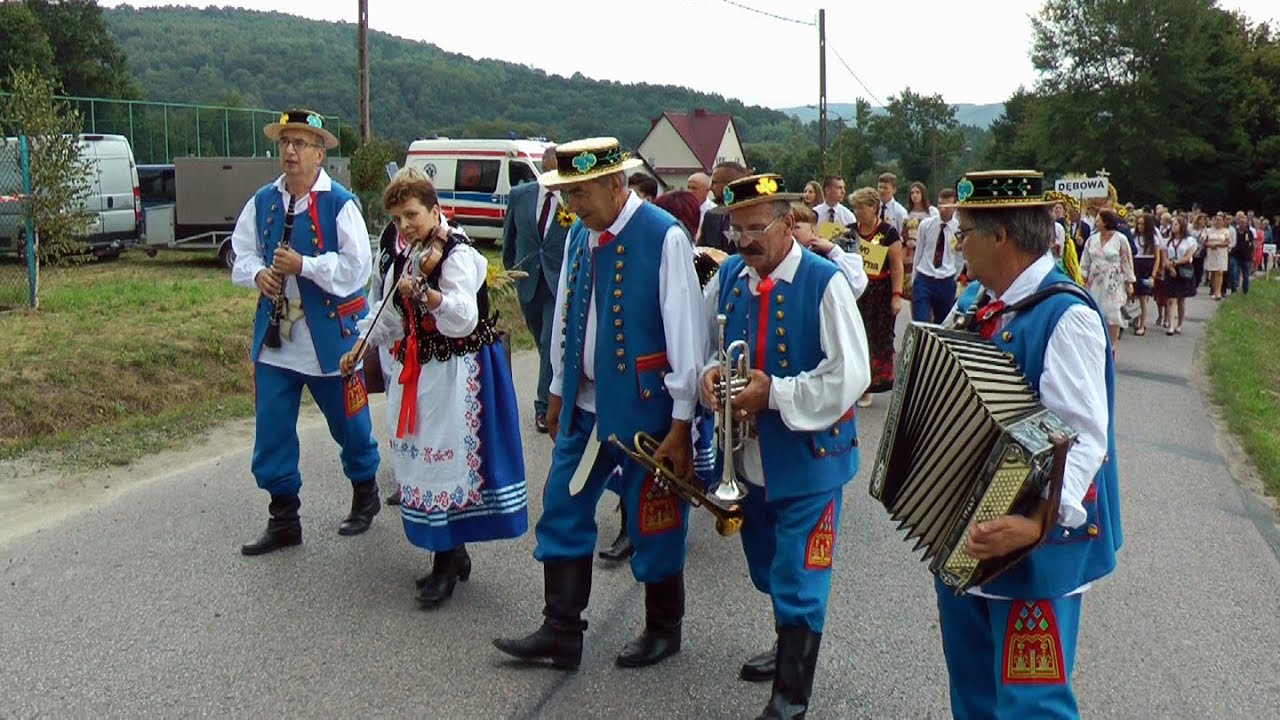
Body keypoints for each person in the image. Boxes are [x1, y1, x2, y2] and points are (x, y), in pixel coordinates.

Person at [493, 137, 706, 671]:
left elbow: (685, 331)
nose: (572, 206)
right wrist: (558, 389)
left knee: (654, 517)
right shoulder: (578, 236)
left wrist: (682, 424)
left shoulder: (664, 236)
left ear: (616, 185)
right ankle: (561, 631)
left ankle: (664, 628)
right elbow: (566, 314)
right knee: (563, 504)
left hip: (645, 408)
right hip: (584, 409)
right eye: (566, 195)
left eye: (581, 193)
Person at [940, 170, 1121, 719]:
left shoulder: (1065, 316)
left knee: (1031, 706)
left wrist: (1041, 519)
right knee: (973, 694)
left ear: (1001, 237)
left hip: (1034, 544)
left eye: (963, 233)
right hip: (969, 533)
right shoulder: (977, 301)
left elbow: (1085, 437)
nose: (956, 245)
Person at [700, 173, 870, 718]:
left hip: (811, 459)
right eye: (736, 230)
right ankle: (786, 646)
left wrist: (775, 392)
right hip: (749, 457)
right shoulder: (730, 275)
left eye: (755, 229)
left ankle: (790, 702)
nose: (744, 241)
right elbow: (711, 346)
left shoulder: (825, 282)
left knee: (799, 576)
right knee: (768, 566)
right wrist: (710, 375)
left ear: (788, 223)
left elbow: (851, 375)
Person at [340, 167, 528, 608]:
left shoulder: (457, 253)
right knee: (420, 462)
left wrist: (428, 297)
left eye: (412, 215)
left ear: (434, 209)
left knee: (443, 463)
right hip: (418, 370)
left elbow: (463, 316)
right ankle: (452, 554)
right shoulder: (406, 254)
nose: (405, 226)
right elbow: (389, 316)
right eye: (398, 218)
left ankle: (446, 561)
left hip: (454, 371)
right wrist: (359, 346)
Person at [230, 108, 381, 556]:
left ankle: (365, 493)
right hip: (278, 338)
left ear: (320, 154)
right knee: (272, 429)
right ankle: (284, 517)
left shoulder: (340, 202)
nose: (290, 151)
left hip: (330, 338)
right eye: (285, 143)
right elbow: (240, 253)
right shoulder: (263, 200)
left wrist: (305, 266)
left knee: (350, 425)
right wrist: (258, 275)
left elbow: (357, 269)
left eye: (300, 144)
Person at [502, 145, 569, 434]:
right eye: (551, 169)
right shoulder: (521, 195)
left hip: (558, 279)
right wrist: (510, 271)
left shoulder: (571, 198)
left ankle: (544, 405)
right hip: (528, 278)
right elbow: (510, 237)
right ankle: (557, 389)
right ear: (542, 167)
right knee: (539, 337)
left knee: (548, 340)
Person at [843, 187, 904, 408]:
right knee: (854, 335)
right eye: (855, 207)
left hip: (880, 291)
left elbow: (897, 267)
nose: (857, 211)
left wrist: (896, 296)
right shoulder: (849, 232)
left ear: (873, 207)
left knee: (877, 338)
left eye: (861, 207)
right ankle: (855, 383)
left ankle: (870, 385)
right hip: (855, 292)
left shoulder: (889, 233)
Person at [911, 187, 962, 323]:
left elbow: (959, 258)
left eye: (947, 206)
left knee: (942, 323)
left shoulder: (959, 229)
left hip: (945, 280)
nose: (943, 209)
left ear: (955, 207)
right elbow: (919, 253)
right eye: (940, 204)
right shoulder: (926, 225)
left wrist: (952, 276)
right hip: (925, 278)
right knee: (921, 321)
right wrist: (914, 279)